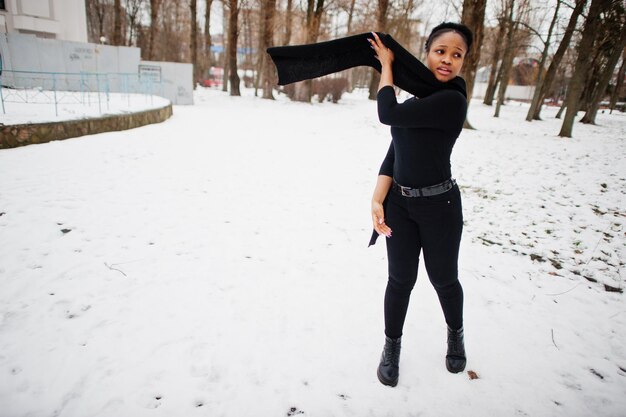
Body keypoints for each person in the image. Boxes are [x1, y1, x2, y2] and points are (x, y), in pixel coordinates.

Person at [367, 22, 473, 387]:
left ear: (463, 63)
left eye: (456, 54)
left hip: (440, 207)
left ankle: (455, 333)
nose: (447, 60)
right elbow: (395, 151)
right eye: (440, 51)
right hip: (400, 206)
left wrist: (386, 65)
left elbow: (387, 114)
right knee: (400, 280)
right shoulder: (416, 101)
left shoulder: (452, 101)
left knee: (444, 279)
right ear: (427, 51)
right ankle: (391, 346)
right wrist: (377, 198)